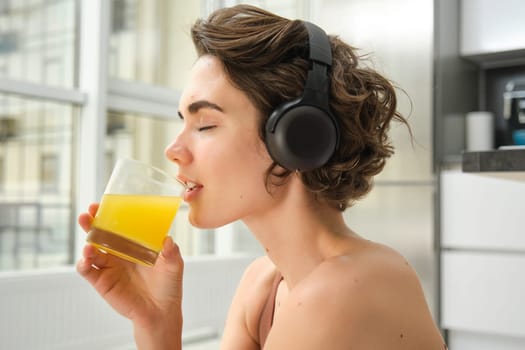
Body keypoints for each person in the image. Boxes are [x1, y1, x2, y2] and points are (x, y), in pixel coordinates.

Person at [77, 4, 447, 350]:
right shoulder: (264, 282)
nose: (173, 149)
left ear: (296, 137)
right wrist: (157, 325)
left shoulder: (342, 290)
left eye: (205, 124)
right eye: (183, 123)